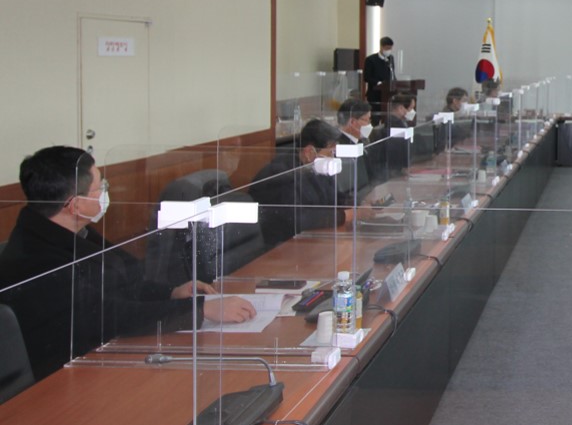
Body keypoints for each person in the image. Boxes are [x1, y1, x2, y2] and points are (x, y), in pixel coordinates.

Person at [0, 146, 256, 381]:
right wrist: (200, 310)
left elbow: (125, 281)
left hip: (102, 354)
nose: (105, 192)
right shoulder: (36, 261)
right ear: (75, 205)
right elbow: (108, 316)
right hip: (65, 378)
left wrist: (172, 292)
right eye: (100, 187)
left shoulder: (72, 232)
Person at [250, 120, 357, 246]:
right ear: (309, 152)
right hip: (284, 245)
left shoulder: (316, 167)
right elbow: (299, 219)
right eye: (330, 152)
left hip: (313, 239)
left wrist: (356, 204)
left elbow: (333, 197)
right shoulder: (281, 174)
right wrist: (344, 216)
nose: (333, 158)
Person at [364, 37, 396, 123]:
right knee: (375, 119)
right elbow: (367, 77)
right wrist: (379, 83)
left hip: (388, 94)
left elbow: (392, 74)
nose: (389, 50)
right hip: (375, 95)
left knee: (387, 119)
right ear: (381, 47)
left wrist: (395, 83)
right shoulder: (370, 60)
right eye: (387, 48)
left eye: (390, 48)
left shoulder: (391, 58)